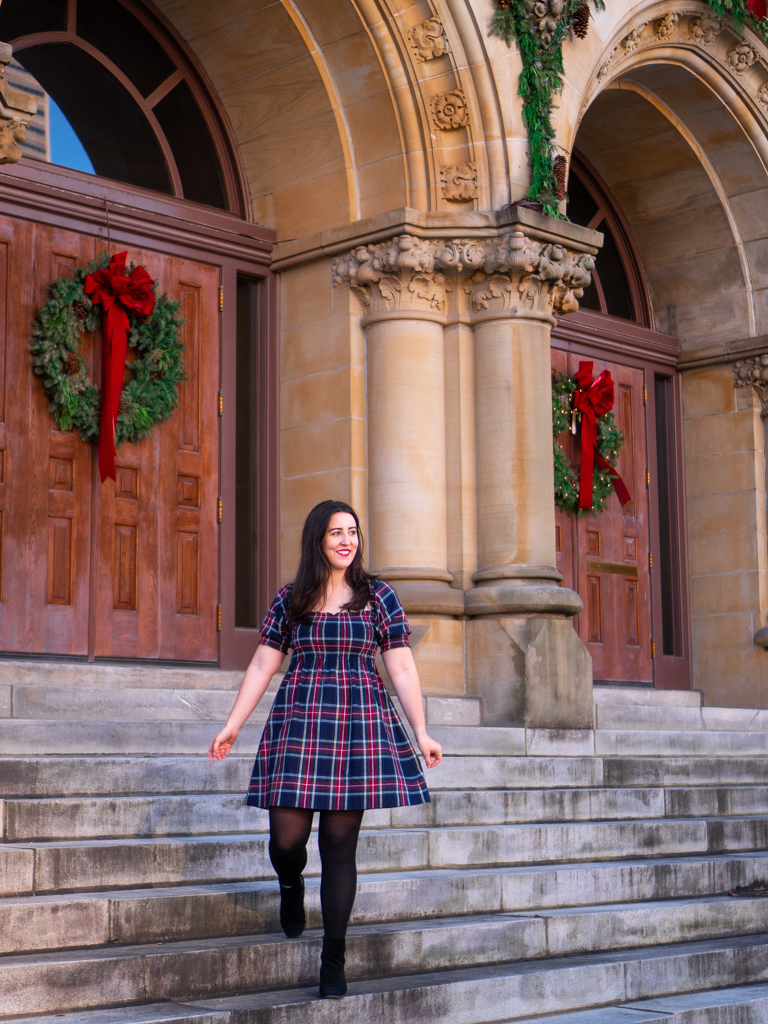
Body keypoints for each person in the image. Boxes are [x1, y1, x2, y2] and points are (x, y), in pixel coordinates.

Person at [209, 499, 443, 999]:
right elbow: (260, 665)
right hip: (299, 722)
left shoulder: (378, 596)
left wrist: (421, 731)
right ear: (318, 539)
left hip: (357, 725)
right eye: (336, 532)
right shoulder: (291, 597)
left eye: (353, 532)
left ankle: (333, 958)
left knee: (339, 847)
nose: (346, 540)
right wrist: (232, 725)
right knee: (287, 842)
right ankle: (290, 886)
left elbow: (400, 666)